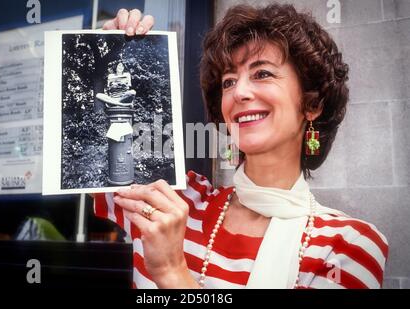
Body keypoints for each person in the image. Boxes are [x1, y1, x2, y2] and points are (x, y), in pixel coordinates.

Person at [94, 6, 388, 289]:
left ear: (312, 103)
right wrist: (109, 48)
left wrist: (173, 274)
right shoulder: (175, 198)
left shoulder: (346, 246)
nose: (239, 92)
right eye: (228, 81)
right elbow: (79, 155)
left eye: (262, 74)